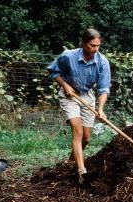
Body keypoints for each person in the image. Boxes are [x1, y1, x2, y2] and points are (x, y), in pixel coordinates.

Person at [47, 28, 111, 184]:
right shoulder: (68, 56)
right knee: (78, 131)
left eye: (98, 46)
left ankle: (72, 160)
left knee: (87, 139)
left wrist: (100, 110)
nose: (95, 49)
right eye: (92, 45)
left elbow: (103, 89)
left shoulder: (102, 62)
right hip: (69, 95)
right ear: (83, 43)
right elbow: (53, 71)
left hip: (87, 97)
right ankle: (82, 172)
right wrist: (65, 85)